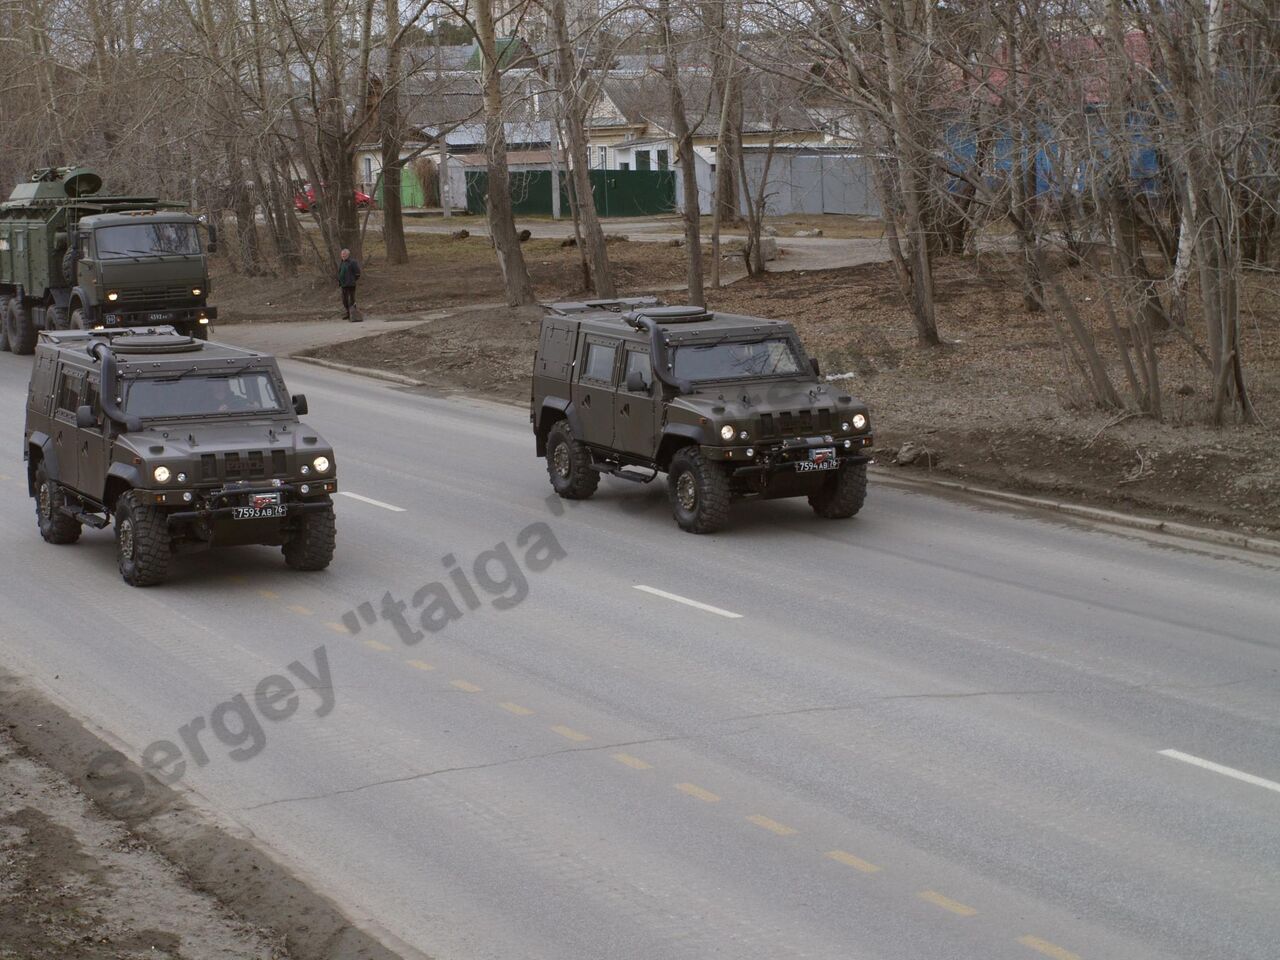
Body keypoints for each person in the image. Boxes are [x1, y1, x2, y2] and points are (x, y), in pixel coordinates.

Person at [337, 248, 361, 321]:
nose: (343, 256)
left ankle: (353, 315)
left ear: (348, 255)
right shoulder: (342, 262)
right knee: (344, 300)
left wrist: (353, 280)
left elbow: (357, 273)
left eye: (344, 254)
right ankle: (348, 313)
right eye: (342, 254)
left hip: (351, 284)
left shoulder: (352, 262)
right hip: (343, 285)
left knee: (351, 300)